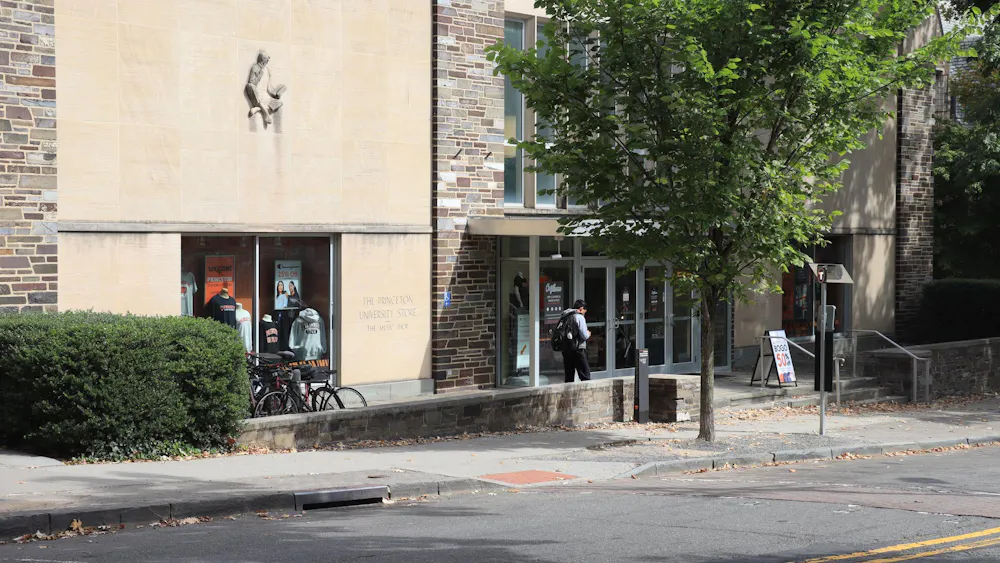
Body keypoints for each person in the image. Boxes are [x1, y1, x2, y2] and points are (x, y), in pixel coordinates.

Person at [560, 299, 591, 383]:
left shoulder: (565, 315)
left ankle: (568, 395)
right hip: (577, 349)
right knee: (585, 375)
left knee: (569, 376)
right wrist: (588, 334)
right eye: (584, 311)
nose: (584, 313)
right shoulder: (579, 317)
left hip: (566, 349)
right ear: (581, 308)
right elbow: (584, 336)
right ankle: (587, 395)